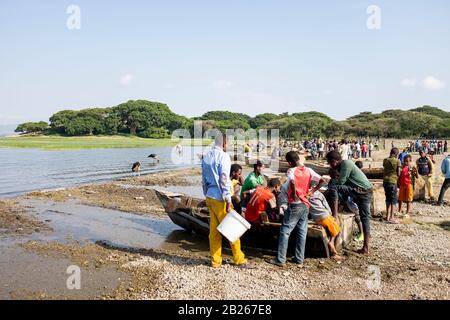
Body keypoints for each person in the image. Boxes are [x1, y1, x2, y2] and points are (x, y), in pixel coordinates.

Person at [267, 152, 325, 267]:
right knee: (301, 232)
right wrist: (312, 192)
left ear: (289, 163)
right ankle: (299, 259)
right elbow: (322, 180)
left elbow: (292, 181)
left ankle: (281, 259)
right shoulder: (309, 170)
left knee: (285, 231)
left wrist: (293, 193)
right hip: (305, 204)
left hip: (295, 204)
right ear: (299, 158)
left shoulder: (291, 171)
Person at [202, 134, 247, 268]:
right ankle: (239, 259)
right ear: (224, 144)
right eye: (228, 144)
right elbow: (224, 179)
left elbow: (203, 179)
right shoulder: (223, 156)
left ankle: (216, 261)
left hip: (210, 196)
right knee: (232, 229)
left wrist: (206, 194)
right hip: (221, 198)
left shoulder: (206, 156)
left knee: (214, 232)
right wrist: (228, 199)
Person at [325, 150, 373, 254]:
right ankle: (366, 247)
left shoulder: (346, 164)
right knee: (364, 217)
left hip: (362, 191)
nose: (330, 165)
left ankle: (335, 215)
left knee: (334, 188)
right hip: (359, 190)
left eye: (330, 163)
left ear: (335, 161)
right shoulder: (341, 166)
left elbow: (341, 182)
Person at [309, 189, 341, 258]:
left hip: (316, 219)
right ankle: (332, 244)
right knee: (337, 227)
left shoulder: (307, 195)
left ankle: (333, 247)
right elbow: (327, 206)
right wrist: (331, 214)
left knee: (332, 226)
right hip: (324, 216)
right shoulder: (320, 195)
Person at [383, 148, 401, 223]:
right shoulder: (397, 161)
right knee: (393, 200)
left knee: (387, 199)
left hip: (385, 181)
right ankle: (392, 217)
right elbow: (399, 173)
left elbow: (385, 168)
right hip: (393, 181)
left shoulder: (385, 160)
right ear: (396, 154)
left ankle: (387, 216)